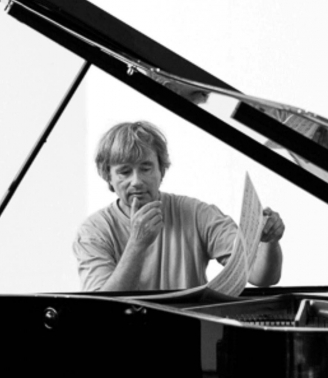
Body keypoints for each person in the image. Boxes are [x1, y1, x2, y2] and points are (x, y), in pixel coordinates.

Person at [73, 121, 284, 292]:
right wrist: (137, 243)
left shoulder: (196, 214)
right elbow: (102, 311)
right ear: (108, 178)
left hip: (191, 329)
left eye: (146, 168)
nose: (136, 181)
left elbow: (261, 277)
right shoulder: (93, 231)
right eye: (124, 172)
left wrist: (269, 241)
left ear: (161, 171)